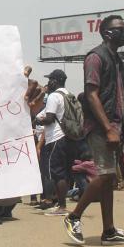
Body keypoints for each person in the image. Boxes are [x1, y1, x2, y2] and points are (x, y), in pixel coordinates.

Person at [63, 15, 124, 246]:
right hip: (100, 126)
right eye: (119, 30)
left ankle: (109, 231)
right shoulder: (96, 57)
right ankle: (73, 216)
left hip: (116, 127)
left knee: (109, 180)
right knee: (105, 175)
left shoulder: (118, 61)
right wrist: (108, 128)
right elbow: (91, 94)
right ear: (106, 33)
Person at [35, 69, 86, 215]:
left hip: (56, 137)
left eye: (50, 80)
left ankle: (62, 206)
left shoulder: (54, 96)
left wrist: (38, 120)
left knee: (57, 173)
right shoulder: (70, 95)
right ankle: (61, 204)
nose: (48, 83)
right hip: (70, 137)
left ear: (54, 81)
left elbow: (50, 119)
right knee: (64, 172)